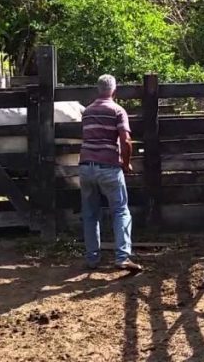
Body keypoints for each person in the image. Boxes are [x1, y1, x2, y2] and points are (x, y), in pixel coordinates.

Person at [79, 75, 143, 273]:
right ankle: (122, 257)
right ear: (114, 91)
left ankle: (92, 259)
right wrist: (126, 163)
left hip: (85, 167)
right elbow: (125, 140)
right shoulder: (118, 110)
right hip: (108, 167)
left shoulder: (87, 111)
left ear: (98, 90)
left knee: (90, 213)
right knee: (120, 211)